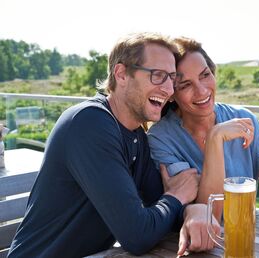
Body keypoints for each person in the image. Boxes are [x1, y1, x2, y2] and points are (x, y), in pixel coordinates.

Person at [8, 32, 203, 258]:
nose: (169, 89)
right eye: (158, 75)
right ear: (121, 74)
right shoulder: (89, 123)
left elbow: (159, 205)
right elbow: (138, 235)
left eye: (171, 78)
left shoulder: (137, 135)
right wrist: (177, 197)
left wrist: (191, 210)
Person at [147, 36, 259, 229]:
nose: (202, 91)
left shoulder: (245, 118)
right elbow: (209, 216)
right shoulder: (161, 139)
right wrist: (215, 138)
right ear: (171, 93)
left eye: (205, 75)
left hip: (247, 234)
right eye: (185, 85)